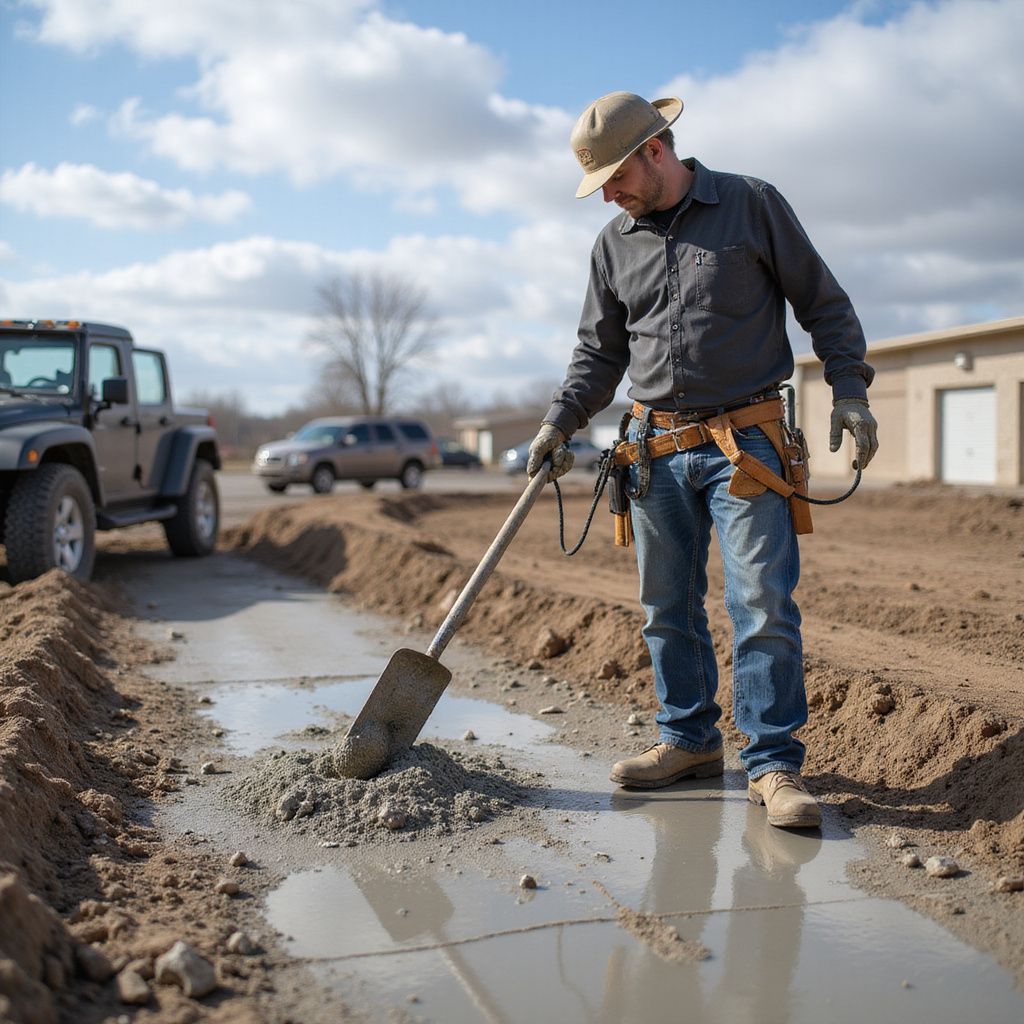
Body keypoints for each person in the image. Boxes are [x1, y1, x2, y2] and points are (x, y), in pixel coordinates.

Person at [527, 91, 878, 829]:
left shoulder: (752, 205)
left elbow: (826, 306)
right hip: (652, 451)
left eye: (615, 178)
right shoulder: (613, 243)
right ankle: (687, 741)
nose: (609, 197)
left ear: (656, 151)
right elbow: (598, 353)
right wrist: (560, 422)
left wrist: (850, 390)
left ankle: (773, 763)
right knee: (666, 609)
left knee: (761, 604)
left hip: (745, 444)